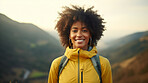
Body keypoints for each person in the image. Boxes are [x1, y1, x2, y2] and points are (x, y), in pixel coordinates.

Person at [48, 5, 112, 83]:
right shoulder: (57, 64)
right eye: (75, 31)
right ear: (69, 35)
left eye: (84, 30)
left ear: (91, 34)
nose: (79, 34)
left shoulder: (103, 64)